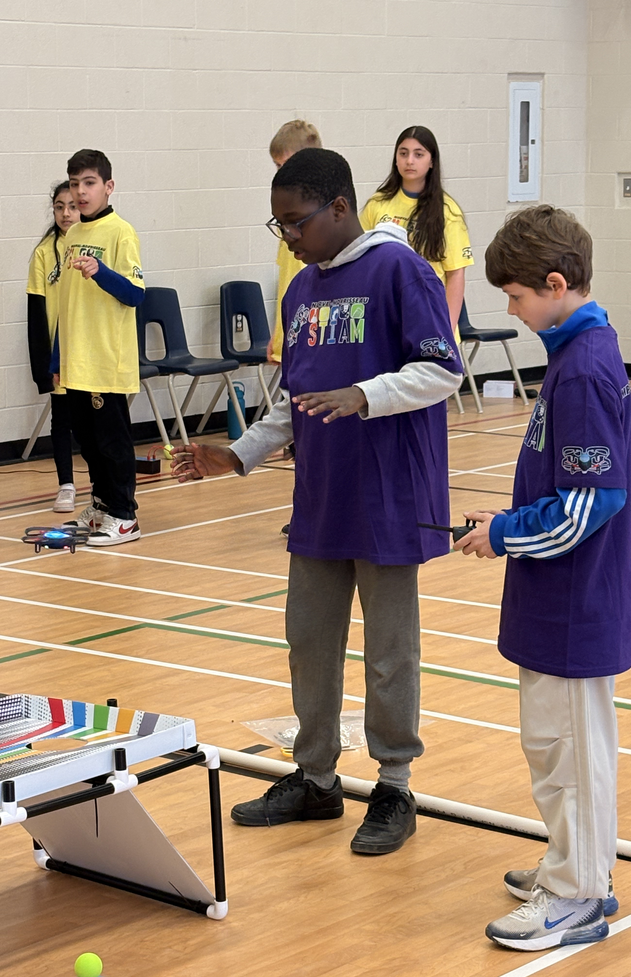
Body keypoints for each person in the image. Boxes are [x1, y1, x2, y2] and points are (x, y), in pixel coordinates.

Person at [172, 148, 462, 855]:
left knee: (391, 650)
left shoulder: (401, 271)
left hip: (390, 495)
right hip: (322, 498)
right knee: (309, 641)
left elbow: (443, 370)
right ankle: (317, 778)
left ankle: (394, 785)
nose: (289, 237)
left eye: (295, 221)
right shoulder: (300, 291)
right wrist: (236, 453)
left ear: (339, 206)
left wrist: (367, 394)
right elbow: (294, 405)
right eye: (278, 226)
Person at [454, 205, 631, 951]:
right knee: (551, 748)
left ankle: (579, 894)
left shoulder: (586, 367)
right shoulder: (571, 355)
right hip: (551, 599)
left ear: (556, 285)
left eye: (517, 295)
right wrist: (508, 517)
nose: (510, 308)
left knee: (572, 753)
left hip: (576, 605)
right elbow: (562, 489)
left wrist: (503, 534)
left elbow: (591, 504)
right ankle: (571, 864)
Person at [56, 148, 145, 545]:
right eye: (75, 184)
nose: (81, 192)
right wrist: (57, 355)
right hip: (76, 360)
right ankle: (102, 504)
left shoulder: (121, 232)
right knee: (88, 441)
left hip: (106, 359)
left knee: (112, 440)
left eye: (89, 183)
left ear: (108, 186)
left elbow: (135, 294)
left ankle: (125, 514)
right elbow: (65, 304)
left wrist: (101, 272)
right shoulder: (72, 235)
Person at [360, 125, 473, 336]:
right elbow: (360, 260)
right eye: (403, 153)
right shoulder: (377, 204)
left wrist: (445, 331)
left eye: (418, 154)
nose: (409, 161)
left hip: (430, 317)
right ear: (396, 159)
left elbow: (456, 275)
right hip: (386, 315)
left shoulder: (448, 211)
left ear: (431, 162)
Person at [267, 120, 323, 537]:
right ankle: (304, 508)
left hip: (318, 335)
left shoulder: (320, 225)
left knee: (312, 433)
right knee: (295, 430)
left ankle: (315, 509)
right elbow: (286, 288)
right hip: (293, 335)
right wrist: (278, 337)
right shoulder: (287, 227)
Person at [26, 181, 80, 512]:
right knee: (60, 420)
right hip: (59, 356)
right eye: (59, 207)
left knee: (91, 422)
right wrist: (42, 366)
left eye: (72, 206)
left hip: (87, 351)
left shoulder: (93, 245)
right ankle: (66, 485)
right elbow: (35, 313)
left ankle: (105, 483)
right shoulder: (44, 253)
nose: (65, 213)